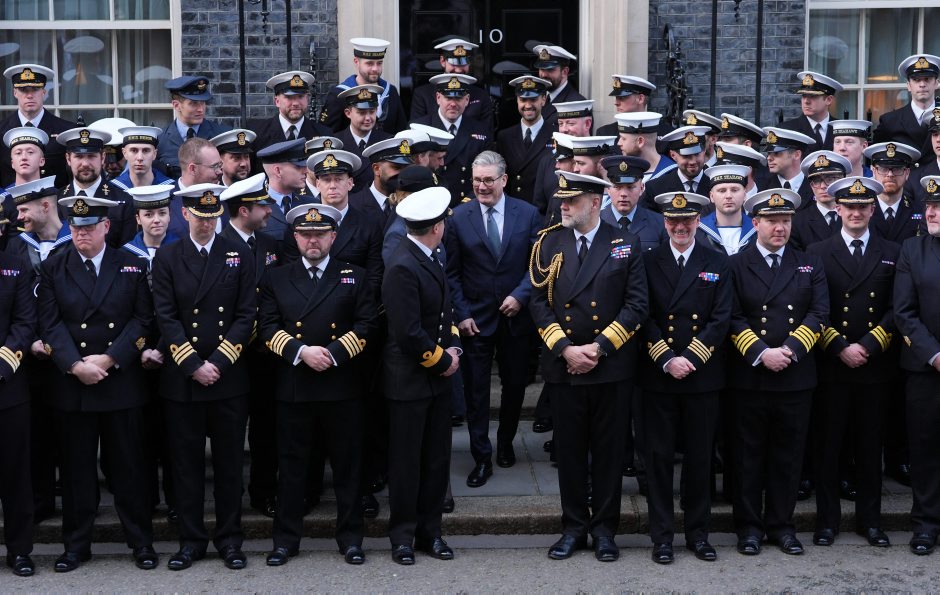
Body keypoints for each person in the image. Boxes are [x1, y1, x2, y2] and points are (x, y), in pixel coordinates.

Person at [530, 170, 648, 563]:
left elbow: (636, 305)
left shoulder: (624, 243)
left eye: (572, 201)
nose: (564, 206)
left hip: (609, 367)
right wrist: (565, 349)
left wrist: (597, 349)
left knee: (609, 454)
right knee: (570, 453)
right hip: (564, 367)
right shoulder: (548, 243)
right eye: (562, 200)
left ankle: (604, 531)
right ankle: (573, 528)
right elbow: (538, 302)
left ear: (595, 203)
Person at [38, 194, 156, 572]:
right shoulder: (54, 267)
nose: (81, 234)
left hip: (119, 381)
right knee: (77, 472)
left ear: (105, 226)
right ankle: (76, 546)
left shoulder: (132, 265)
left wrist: (109, 358)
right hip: (74, 384)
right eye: (75, 228)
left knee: (129, 469)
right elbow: (49, 324)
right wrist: (75, 364)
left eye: (88, 227)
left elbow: (143, 320)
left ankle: (141, 542)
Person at [259, 202, 378, 566]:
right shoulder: (277, 277)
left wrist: (332, 353)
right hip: (295, 384)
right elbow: (267, 327)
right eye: (306, 234)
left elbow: (367, 324)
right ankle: (285, 541)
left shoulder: (355, 276)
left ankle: (351, 539)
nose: (313, 241)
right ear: (295, 238)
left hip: (341, 384)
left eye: (320, 234)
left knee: (348, 468)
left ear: (333, 237)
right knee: (292, 468)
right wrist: (301, 352)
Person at [151, 183, 256, 571]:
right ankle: (191, 541)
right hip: (183, 378)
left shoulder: (238, 253)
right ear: (185, 215)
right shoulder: (168, 256)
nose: (206, 224)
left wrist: (220, 362)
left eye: (212, 217)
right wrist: (193, 363)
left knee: (229, 467)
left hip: (228, 377)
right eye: (199, 216)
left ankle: (230, 539)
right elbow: (165, 315)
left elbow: (246, 313)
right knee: (186, 467)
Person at [727, 188, 828, 557]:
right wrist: (761, 353)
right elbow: (732, 316)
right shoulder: (736, 264)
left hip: (794, 374)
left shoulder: (809, 263)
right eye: (772, 221)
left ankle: (782, 526)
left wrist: (789, 350)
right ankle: (749, 528)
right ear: (755, 223)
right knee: (748, 457)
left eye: (785, 220)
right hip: (750, 375)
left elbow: (819, 313)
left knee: (788, 456)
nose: (780, 228)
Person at [807, 176, 898, 549]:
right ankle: (827, 522)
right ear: (838, 209)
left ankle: (870, 521)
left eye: (862, 207)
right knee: (828, 447)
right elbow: (814, 307)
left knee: (870, 447)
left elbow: (896, 308)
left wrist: (870, 345)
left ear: (872, 210)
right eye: (849, 207)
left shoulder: (893, 250)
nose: (856, 213)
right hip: (833, 363)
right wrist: (840, 346)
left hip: (875, 365)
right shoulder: (817, 251)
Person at [641, 190, 731, 564]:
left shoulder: (717, 261)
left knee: (699, 460)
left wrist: (690, 358)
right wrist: (667, 359)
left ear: (698, 222)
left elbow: (721, 318)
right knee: (658, 461)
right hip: (658, 374)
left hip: (701, 374)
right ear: (665, 223)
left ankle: (698, 534)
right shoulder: (647, 261)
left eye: (687, 220)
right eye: (673, 221)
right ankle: (662, 537)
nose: (680, 227)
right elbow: (642, 314)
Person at [445, 150, 541, 486]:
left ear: (504, 180)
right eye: (477, 180)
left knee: (514, 385)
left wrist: (520, 295)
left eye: (488, 180)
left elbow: (537, 264)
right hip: (475, 320)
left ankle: (506, 442)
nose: (482, 187)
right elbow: (451, 272)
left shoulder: (527, 214)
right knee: (476, 390)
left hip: (516, 318)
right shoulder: (458, 217)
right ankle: (481, 456)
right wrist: (462, 314)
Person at [382, 186, 460, 565]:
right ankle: (403, 537)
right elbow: (408, 332)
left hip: (436, 381)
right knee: (407, 464)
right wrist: (443, 360)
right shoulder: (403, 265)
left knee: (435, 460)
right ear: (437, 227)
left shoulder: (430, 255)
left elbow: (444, 314)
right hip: (410, 382)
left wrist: (454, 346)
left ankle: (431, 533)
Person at [4, 176, 71, 522]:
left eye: (25, 210)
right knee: (36, 434)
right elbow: (17, 306)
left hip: (71, 357)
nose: (19, 217)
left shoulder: (76, 240)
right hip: (28, 358)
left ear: (46, 206)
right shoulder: (16, 247)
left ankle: (78, 504)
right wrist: (29, 341)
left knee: (73, 437)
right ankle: (41, 502)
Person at [218, 173, 282, 518]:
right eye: (262, 206)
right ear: (244, 211)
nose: (269, 211)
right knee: (228, 433)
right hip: (230, 354)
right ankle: (229, 500)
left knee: (266, 430)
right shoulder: (219, 245)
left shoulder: (270, 245)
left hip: (265, 354)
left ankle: (264, 492)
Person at [894, 175, 940, 555]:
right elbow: (904, 312)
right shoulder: (913, 249)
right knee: (925, 449)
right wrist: (935, 354)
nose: (931, 213)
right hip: (926, 369)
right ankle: (926, 524)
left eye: (939, 207)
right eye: (929, 206)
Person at [0, 236, 37, 577]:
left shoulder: (15, 266)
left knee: (15, 473)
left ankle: (20, 550)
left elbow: (25, 322)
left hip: (7, 385)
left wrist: (2, 365)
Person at [410, 74, 492, 203]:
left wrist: (467, 203)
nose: (453, 104)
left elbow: (487, 172)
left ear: (467, 100)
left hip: (467, 204)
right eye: (448, 98)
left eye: (458, 98)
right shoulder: (419, 128)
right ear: (438, 98)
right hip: (430, 203)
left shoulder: (481, 130)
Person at [55, 127, 136, 248]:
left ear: (102, 158)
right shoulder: (56, 200)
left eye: (91, 156)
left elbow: (127, 250)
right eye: (79, 156)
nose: (85, 164)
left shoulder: (123, 201)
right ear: (68, 159)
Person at [0, 64, 74, 188]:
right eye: (23, 90)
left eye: (35, 89)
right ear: (15, 93)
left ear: (43, 92)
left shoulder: (66, 131)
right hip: (10, 199)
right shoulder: (1, 131)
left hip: (54, 198)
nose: (29, 95)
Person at [319, 38, 407, 135]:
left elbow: (401, 131)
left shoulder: (391, 91)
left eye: (379, 63)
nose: (375, 69)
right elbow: (327, 134)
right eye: (369, 63)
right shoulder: (339, 94)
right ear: (356, 62)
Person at [409, 38, 494, 136]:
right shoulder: (423, 94)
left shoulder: (481, 95)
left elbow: (486, 134)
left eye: (463, 63)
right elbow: (416, 131)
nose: (458, 70)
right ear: (442, 61)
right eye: (454, 63)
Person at [495, 75, 558, 203]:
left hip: (543, 208)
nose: (528, 105)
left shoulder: (557, 135)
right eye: (523, 100)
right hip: (514, 207)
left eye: (533, 99)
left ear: (543, 99)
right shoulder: (505, 137)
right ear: (517, 101)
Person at [156, 76, 231, 176]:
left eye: (203, 103)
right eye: (193, 103)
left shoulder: (222, 136)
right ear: (176, 105)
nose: (201, 109)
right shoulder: (160, 140)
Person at [874, 54, 940, 159]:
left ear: (936, 83)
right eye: (916, 80)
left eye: (927, 79)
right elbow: (877, 159)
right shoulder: (890, 121)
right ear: (908, 85)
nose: (922, 84)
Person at [255, 138, 316, 248]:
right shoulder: (255, 209)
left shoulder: (312, 205)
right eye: (298, 166)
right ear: (278, 171)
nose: (306, 171)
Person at [249, 71, 329, 151]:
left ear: (307, 99)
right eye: (289, 97)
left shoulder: (323, 135)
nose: (296, 103)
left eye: (300, 96)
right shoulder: (258, 134)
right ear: (277, 101)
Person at [333, 85, 393, 192]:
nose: (368, 118)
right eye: (362, 113)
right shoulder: (336, 143)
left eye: (372, 111)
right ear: (348, 113)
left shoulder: (387, 142)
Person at [600, 155, 667, 250]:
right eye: (617, 187)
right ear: (608, 189)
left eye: (630, 187)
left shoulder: (659, 223)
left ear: (641, 188)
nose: (623, 194)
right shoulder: (596, 223)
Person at [789, 151, 852, 250]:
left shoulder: (856, 216)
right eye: (817, 181)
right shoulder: (798, 222)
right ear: (811, 185)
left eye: (830, 179)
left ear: (842, 182)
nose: (823, 186)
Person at [864, 142, 925, 245]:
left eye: (897, 169)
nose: (890, 174)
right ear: (873, 171)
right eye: (883, 169)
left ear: (907, 173)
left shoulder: (918, 210)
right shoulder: (861, 209)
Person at [642, 126, 713, 210]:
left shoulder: (717, 183)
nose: (692, 161)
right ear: (673, 155)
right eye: (686, 156)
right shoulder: (655, 188)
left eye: (697, 154)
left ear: (704, 151)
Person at [350, 136, 413, 225]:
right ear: (376, 169)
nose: (403, 173)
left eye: (406, 168)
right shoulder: (353, 204)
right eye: (396, 167)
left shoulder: (413, 201)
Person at [698, 165, 758, 255]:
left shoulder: (758, 231)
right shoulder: (698, 232)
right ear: (712, 196)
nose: (728, 196)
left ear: (745, 194)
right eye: (722, 191)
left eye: (734, 190)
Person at [1, 127, 48, 239]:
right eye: (18, 153)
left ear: (42, 161)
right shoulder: (2, 201)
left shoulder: (55, 198)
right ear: (12, 163)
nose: (24, 157)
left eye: (30, 152)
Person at [779, 71, 844, 152]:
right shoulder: (787, 130)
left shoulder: (842, 129)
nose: (806, 101)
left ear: (829, 100)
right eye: (804, 96)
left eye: (813, 96)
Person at [107, 126, 174, 192]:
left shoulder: (171, 190)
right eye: (134, 150)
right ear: (124, 153)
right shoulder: (112, 190)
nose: (140, 158)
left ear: (154, 154)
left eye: (146, 150)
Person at [762, 126, 816, 206]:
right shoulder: (763, 187)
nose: (769, 158)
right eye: (769, 153)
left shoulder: (816, 186)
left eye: (776, 153)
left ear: (797, 155)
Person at [595, 75, 663, 138]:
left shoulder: (664, 133)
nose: (616, 103)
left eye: (622, 98)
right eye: (616, 98)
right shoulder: (605, 133)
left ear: (640, 99)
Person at [614, 112, 674, 181]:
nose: (619, 143)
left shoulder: (671, 174)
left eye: (623, 138)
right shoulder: (620, 170)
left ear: (640, 141)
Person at [532, 44, 585, 122]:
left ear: (565, 72)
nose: (543, 75)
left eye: (550, 69)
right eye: (541, 69)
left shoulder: (577, 104)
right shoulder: (536, 97)